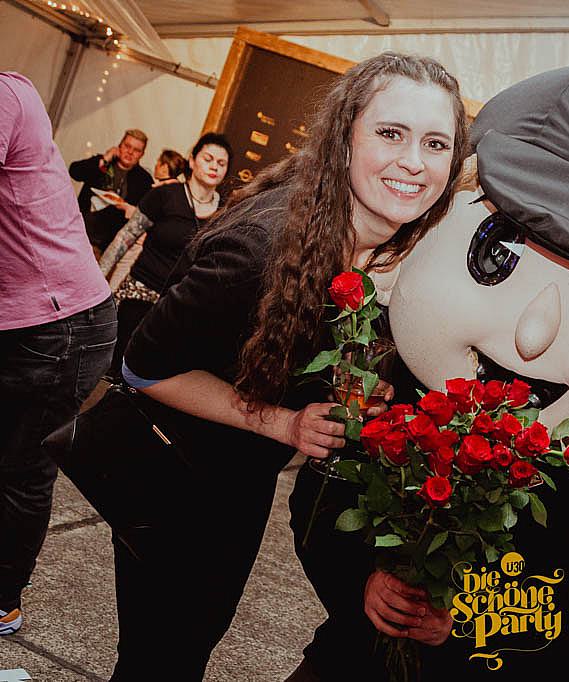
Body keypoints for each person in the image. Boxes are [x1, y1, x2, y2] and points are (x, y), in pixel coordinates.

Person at [290, 64, 569, 680]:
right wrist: (361, 580)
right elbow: (321, 501)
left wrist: (466, 625)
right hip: (344, 659)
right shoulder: (399, 397)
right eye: (497, 252)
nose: (533, 334)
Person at [104, 53, 468, 680]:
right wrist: (284, 423)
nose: (414, 161)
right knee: (161, 661)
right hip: (176, 488)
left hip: (236, 485)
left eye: (436, 143)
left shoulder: (363, 245)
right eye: (391, 133)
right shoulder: (260, 249)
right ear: (345, 134)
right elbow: (141, 367)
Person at [0, 72, 117, 635]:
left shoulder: (5, 93)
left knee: (20, 468)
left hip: (60, 325)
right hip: (30, 320)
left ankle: (2, 600)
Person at [98, 133, 232, 377]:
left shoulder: (226, 214)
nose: (214, 166)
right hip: (139, 295)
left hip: (179, 308)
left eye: (221, 163)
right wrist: (98, 282)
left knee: (150, 377)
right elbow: (125, 238)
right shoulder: (165, 195)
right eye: (208, 159)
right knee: (115, 370)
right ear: (192, 160)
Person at [68, 129, 153, 255]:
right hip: (76, 231)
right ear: (119, 146)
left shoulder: (144, 180)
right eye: (127, 146)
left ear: (142, 154)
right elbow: (74, 171)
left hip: (105, 246)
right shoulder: (104, 163)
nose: (130, 152)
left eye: (136, 150)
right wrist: (104, 159)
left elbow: (146, 215)